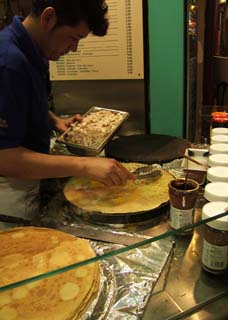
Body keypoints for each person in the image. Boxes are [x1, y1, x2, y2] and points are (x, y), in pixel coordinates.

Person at [0, 0, 134, 220]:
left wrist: (53, 120)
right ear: (49, 18)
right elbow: (3, 157)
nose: (74, 49)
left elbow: (21, 102)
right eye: (74, 38)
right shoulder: (7, 63)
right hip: (7, 194)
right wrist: (83, 165)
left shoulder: (34, 50)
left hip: (30, 178)